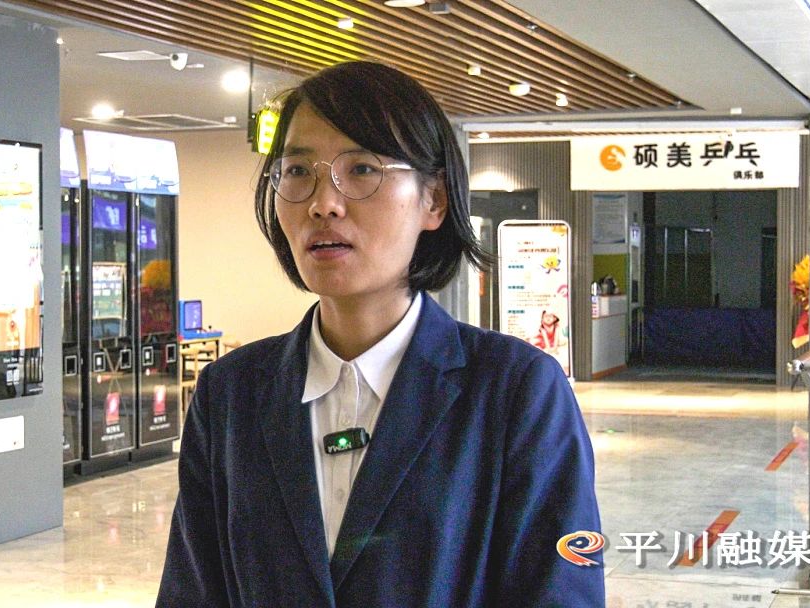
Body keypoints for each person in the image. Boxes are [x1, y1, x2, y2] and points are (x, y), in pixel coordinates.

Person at [156, 61, 604, 607]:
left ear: (433, 201)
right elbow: (192, 592)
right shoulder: (232, 393)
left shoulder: (517, 390)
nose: (323, 202)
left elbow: (561, 592)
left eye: (363, 169)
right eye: (297, 171)